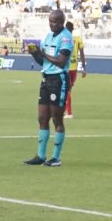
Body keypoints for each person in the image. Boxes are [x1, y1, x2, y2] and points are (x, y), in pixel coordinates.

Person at [23, 9, 72, 167]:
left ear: (61, 22)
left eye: (55, 22)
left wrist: (43, 54)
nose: (51, 24)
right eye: (50, 21)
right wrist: (35, 54)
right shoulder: (48, 36)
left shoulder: (66, 38)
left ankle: (56, 157)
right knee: (42, 118)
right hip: (46, 79)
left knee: (57, 118)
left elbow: (61, 61)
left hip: (59, 79)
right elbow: (43, 62)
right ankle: (41, 155)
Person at [63, 20, 87, 119]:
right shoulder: (78, 39)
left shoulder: (64, 39)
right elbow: (82, 54)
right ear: (72, 30)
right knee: (68, 90)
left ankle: (69, 112)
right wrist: (84, 68)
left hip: (67, 68)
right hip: (74, 69)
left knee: (66, 90)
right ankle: (64, 110)